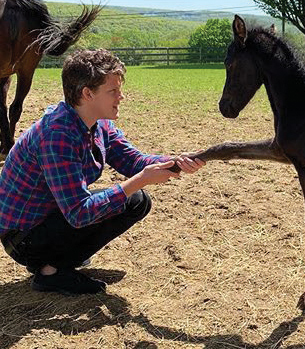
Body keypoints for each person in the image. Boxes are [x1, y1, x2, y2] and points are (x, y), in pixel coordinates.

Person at [0, 49, 205, 295]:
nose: (122, 96)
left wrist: (175, 161)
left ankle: (61, 256)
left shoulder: (97, 123)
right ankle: (49, 271)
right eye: (113, 91)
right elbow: (78, 213)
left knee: (136, 201)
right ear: (87, 93)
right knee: (130, 196)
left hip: (51, 218)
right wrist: (140, 180)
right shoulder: (57, 135)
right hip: (25, 239)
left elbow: (133, 160)